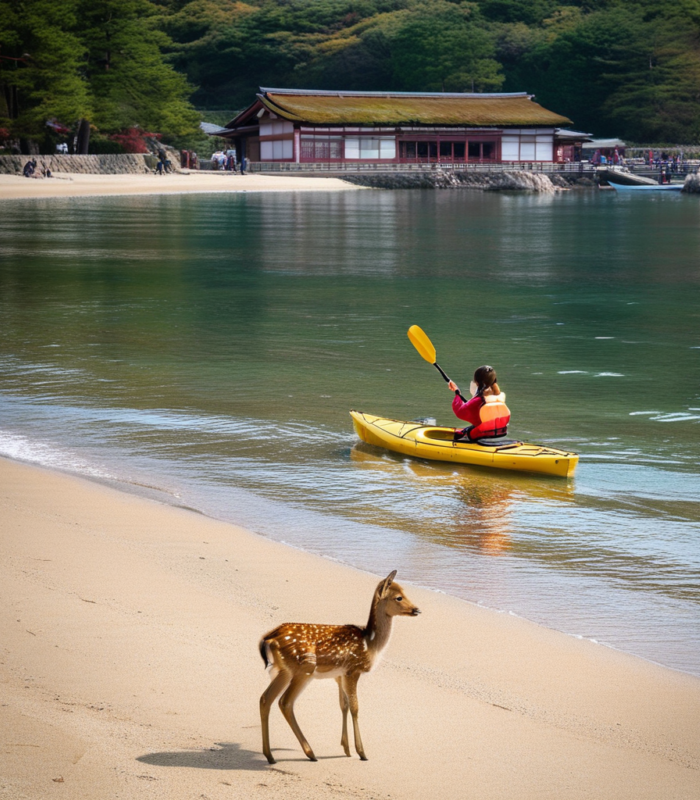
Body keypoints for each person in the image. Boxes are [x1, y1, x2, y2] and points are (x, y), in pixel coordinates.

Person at [448, 365, 511, 442]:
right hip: (501, 433)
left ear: (476, 382)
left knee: (460, 435)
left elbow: (459, 412)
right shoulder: (499, 397)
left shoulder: (479, 400)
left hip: (483, 435)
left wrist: (457, 393)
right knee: (469, 428)